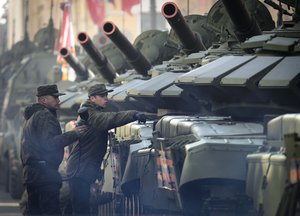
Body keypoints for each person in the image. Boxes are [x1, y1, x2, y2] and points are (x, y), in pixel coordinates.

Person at [66, 83, 147, 216]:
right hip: (79, 171)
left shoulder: (89, 112)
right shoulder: (90, 113)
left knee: (76, 208)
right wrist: (133, 114)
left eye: (106, 95)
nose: (106, 99)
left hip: (82, 169)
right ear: (92, 98)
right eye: (102, 96)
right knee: (81, 210)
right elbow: (108, 119)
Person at [20, 84, 87, 216]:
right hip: (44, 175)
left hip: (32, 174)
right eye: (55, 97)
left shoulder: (31, 118)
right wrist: (74, 134)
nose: (58, 101)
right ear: (43, 100)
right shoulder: (44, 116)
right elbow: (49, 144)